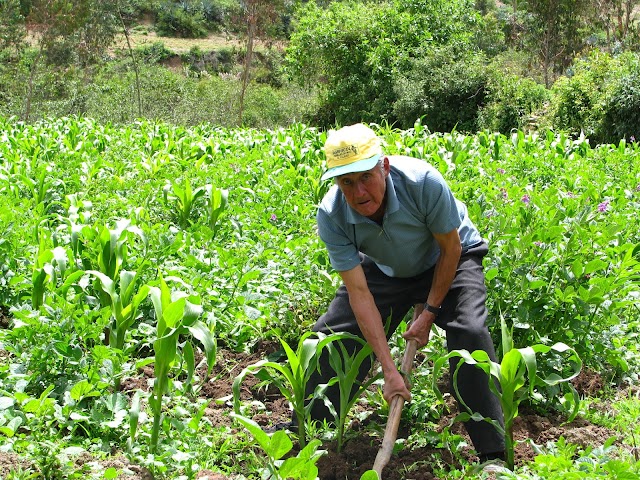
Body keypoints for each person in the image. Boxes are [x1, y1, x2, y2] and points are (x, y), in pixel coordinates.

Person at [277, 123, 505, 463]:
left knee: (469, 332)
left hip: (447, 258)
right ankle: (307, 430)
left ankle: (494, 450)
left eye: (366, 177)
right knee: (329, 339)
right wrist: (389, 370)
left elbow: (451, 248)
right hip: (387, 267)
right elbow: (358, 292)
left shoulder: (422, 182)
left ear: (384, 166)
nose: (358, 193)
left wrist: (429, 313)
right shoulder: (332, 213)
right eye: (346, 182)